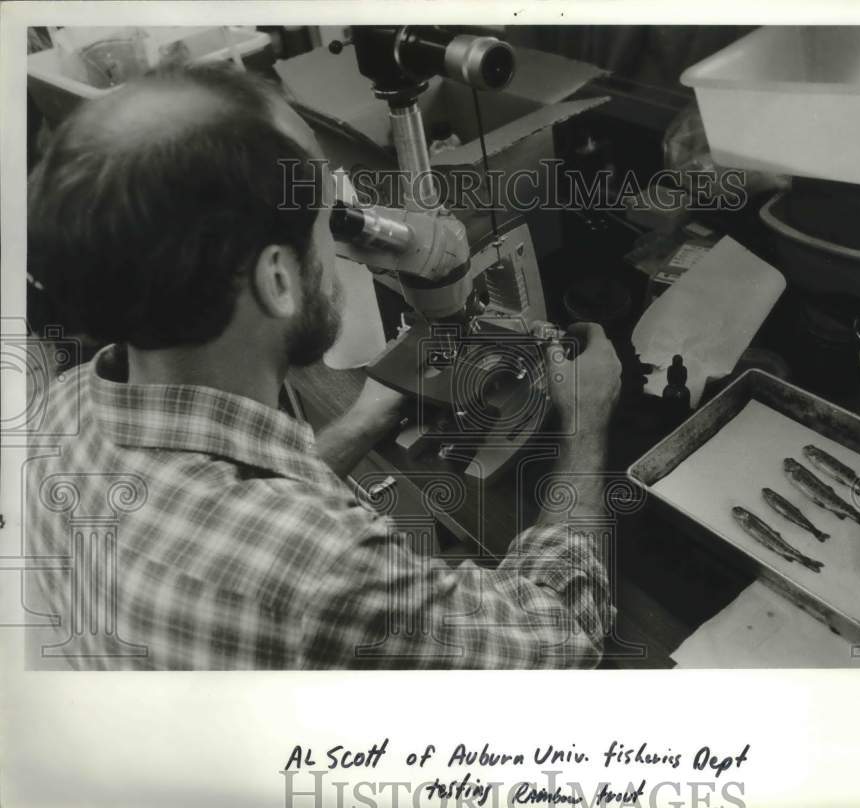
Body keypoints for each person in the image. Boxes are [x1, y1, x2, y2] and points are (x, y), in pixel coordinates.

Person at [24, 61, 622, 670]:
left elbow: (221, 507)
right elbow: (564, 637)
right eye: (328, 218)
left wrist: (362, 422)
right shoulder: (322, 573)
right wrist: (585, 419)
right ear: (277, 279)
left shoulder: (62, 408)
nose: (345, 242)